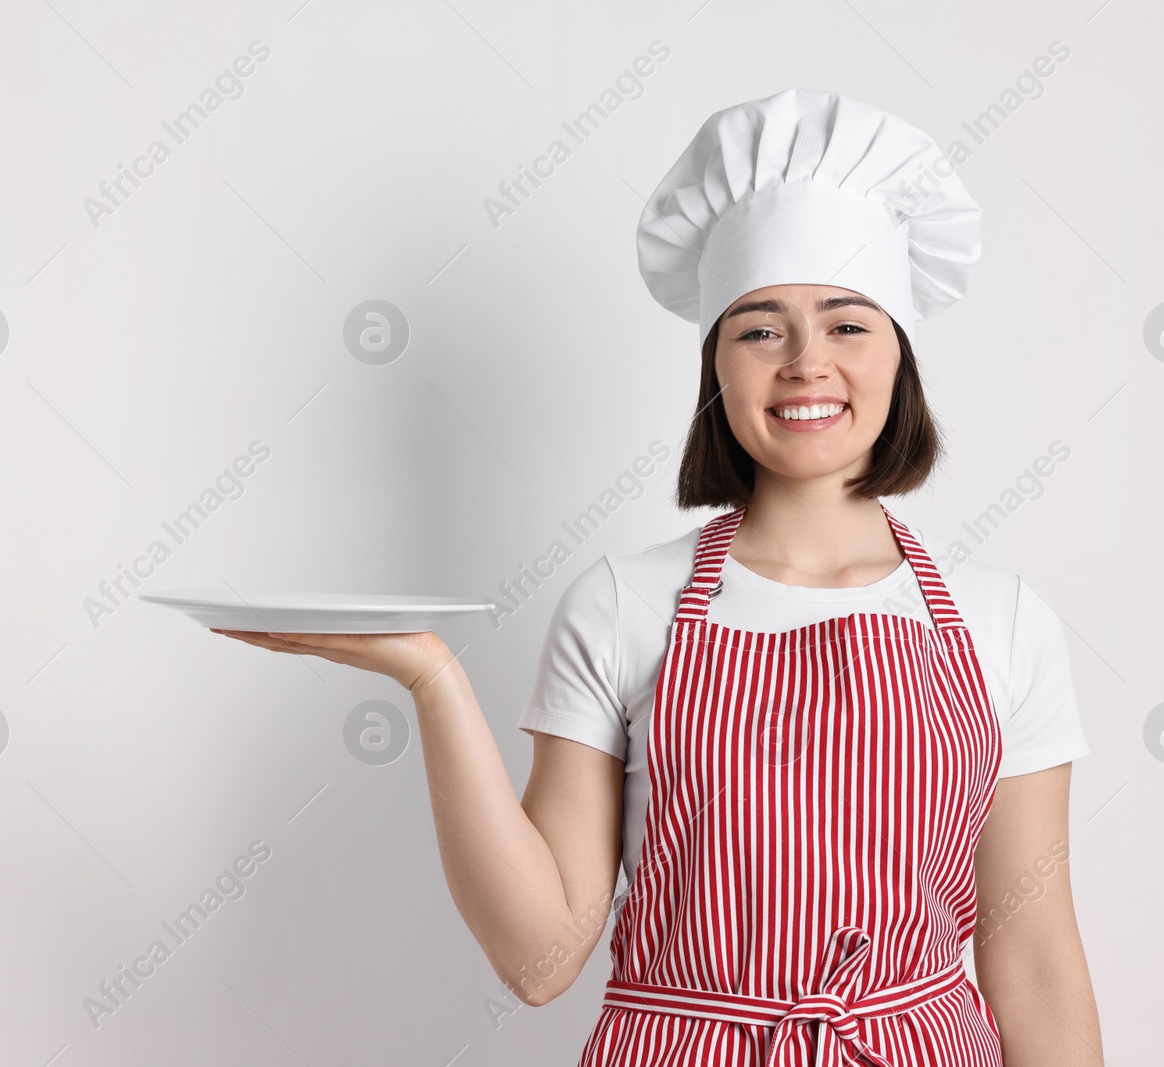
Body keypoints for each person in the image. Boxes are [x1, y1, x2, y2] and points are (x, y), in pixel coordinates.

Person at [215, 89, 1104, 1066]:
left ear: (900, 352)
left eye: (847, 325)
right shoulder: (620, 606)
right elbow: (543, 957)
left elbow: (1031, 962)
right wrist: (431, 676)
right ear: (715, 367)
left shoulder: (1001, 621)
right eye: (760, 329)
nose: (806, 363)